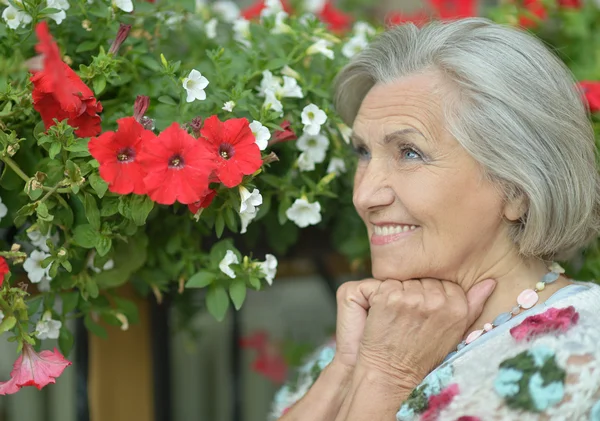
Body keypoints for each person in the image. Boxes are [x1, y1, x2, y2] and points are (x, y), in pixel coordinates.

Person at [270, 17, 600, 421]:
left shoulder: (583, 351)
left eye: (409, 152)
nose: (364, 195)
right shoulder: (354, 345)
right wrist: (348, 368)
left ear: (517, 188)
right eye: (363, 153)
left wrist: (385, 379)